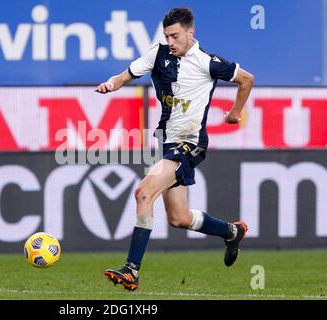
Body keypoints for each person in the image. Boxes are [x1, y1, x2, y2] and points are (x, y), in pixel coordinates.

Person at [95, 7, 254, 291]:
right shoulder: (158, 54)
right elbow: (128, 74)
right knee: (179, 218)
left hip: (189, 143)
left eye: (176, 35)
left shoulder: (208, 62)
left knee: (144, 192)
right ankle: (232, 232)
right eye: (167, 35)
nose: (171, 41)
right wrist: (112, 84)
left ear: (191, 33)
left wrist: (234, 112)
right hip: (166, 142)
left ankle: (132, 269)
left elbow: (247, 79)